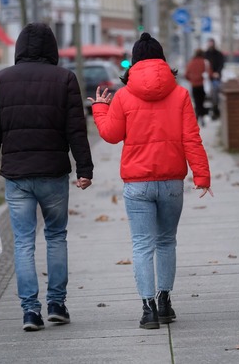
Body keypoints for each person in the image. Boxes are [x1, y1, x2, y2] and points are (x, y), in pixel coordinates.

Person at [88, 32, 213, 330]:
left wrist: (99, 109)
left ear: (134, 62)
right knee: (167, 241)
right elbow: (191, 139)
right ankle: (165, 301)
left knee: (143, 245)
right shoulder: (181, 94)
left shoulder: (124, 96)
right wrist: (201, 175)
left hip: (137, 183)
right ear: (162, 60)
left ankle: (147, 310)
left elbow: (111, 135)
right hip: (171, 181)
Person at [0, 22, 94, 332]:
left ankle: (30, 311)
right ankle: (56, 304)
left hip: (17, 175)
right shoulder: (65, 79)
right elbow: (76, 129)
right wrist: (85, 169)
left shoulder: (1, 81)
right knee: (56, 236)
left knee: (24, 242)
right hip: (54, 172)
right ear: (52, 48)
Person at [185, 48, 213, 126]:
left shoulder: (191, 63)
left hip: (194, 86)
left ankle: (197, 117)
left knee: (197, 102)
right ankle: (202, 118)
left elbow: (186, 75)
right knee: (202, 102)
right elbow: (210, 74)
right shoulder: (205, 62)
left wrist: (192, 80)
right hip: (203, 85)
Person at [204, 38, 225, 120]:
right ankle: (212, 110)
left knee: (215, 93)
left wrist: (217, 73)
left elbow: (221, 64)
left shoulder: (218, 54)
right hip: (207, 77)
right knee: (209, 94)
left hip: (216, 77)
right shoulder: (205, 54)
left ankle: (215, 110)